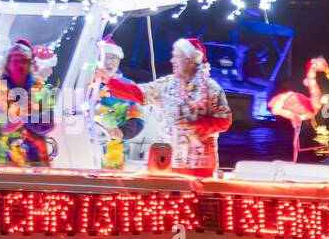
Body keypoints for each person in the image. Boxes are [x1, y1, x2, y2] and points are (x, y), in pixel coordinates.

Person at [106, 37, 231, 176]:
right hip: (167, 161)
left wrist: (196, 123)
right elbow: (139, 93)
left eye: (178, 57)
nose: (172, 61)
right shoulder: (167, 84)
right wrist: (109, 82)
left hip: (200, 165)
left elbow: (224, 122)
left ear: (191, 60)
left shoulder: (211, 88)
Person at [0, 38, 55, 166]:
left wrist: (24, 116)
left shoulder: (41, 90)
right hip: (4, 164)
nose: (19, 64)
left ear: (30, 64)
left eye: (23, 60)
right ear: (7, 63)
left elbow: (47, 125)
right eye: (15, 60)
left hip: (36, 164)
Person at [89, 35, 144, 169]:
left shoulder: (128, 86)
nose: (109, 62)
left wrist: (122, 132)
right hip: (86, 145)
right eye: (105, 57)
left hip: (114, 150)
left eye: (113, 57)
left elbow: (138, 120)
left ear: (119, 59)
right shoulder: (86, 83)